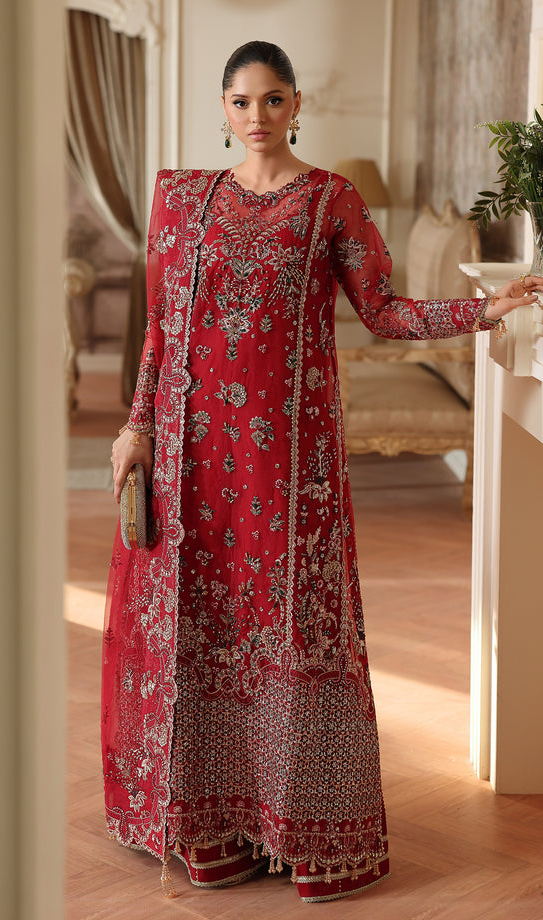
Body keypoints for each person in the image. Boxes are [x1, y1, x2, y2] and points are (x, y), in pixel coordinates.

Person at [102, 40, 542, 904]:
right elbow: (160, 333)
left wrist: (486, 310)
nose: (257, 117)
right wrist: (137, 427)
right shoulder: (187, 204)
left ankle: (296, 825)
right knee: (203, 629)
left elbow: (383, 309)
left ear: (296, 104)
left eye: (272, 100)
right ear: (222, 110)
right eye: (240, 102)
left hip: (288, 474)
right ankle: (212, 825)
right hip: (193, 464)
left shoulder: (331, 202)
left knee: (289, 632)